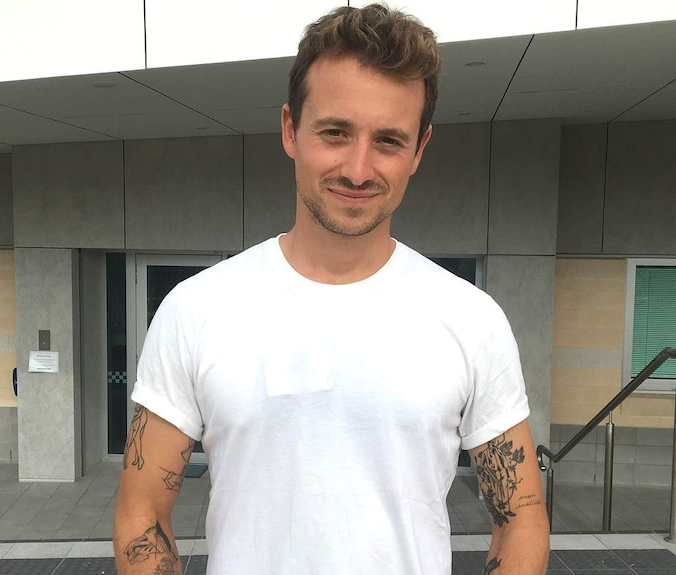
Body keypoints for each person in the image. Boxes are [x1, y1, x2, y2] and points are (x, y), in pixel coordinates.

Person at [113, 4, 550, 574]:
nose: (358, 169)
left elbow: (520, 517)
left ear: (419, 150)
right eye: (336, 132)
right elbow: (141, 511)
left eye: (389, 141)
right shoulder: (197, 309)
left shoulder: (470, 318)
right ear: (291, 129)